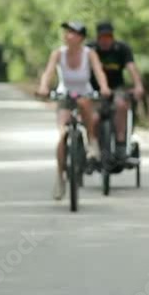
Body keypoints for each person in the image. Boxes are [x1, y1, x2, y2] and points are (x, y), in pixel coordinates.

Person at [37, 21, 112, 200]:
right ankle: (60, 177)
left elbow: (99, 72)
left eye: (72, 32)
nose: (67, 35)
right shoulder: (58, 53)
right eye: (67, 32)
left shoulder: (89, 53)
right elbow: (48, 72)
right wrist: (43, 87)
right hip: (65, 95)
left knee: (85, 104)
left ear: (80, 37)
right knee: (62, 134)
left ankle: (92, 142)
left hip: (84, 93)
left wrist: (104, 87)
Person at [87, 21, 145, 161]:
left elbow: (131, 67)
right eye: (102, 37)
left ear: (112, 37)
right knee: (93, 116)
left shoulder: (122, 49)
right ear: (97, 37)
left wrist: (138, 85)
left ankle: (120, 143)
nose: (105, 40)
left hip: (116, 88)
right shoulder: (90, 49)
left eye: (108, 37)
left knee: (121, 105)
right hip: (95, 89)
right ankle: (92, 146)